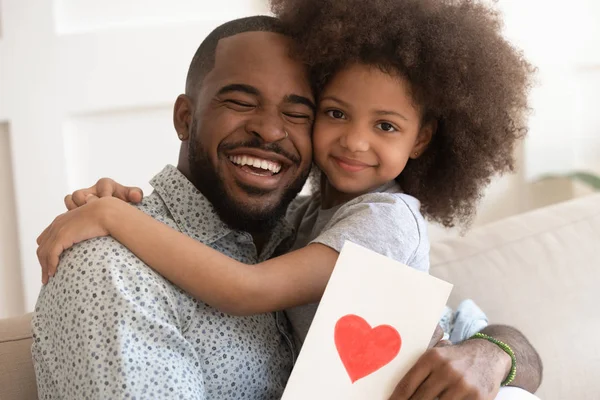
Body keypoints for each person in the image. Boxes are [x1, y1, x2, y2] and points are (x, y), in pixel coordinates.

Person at [34, 2, 542, 399]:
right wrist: (116, 216)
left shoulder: (331, 226)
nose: (271, 130)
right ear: (186, 117)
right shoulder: (112, 271)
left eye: (298, 112)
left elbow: (476, 333)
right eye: (240, 101)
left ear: (421, 139)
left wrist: (492, 353)